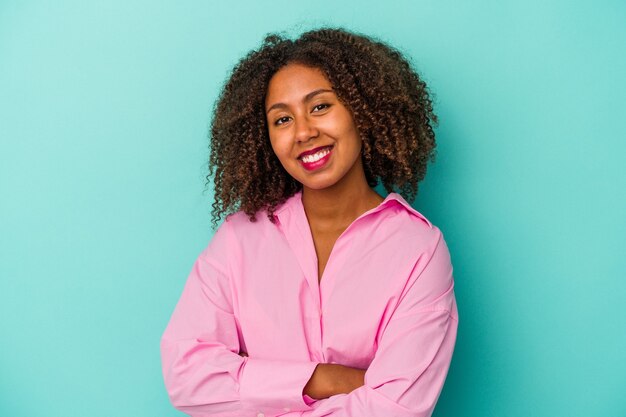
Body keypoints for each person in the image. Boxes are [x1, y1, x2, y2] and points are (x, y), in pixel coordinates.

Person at [160, 27, 458, 417]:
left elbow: (394, 410)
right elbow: (186, 376)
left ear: (362, 110)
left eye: (320, 107)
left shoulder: (418, 249)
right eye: (282, 119)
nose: (303, 132)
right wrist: (331, 379)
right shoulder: (238, 240)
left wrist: (256, 384)